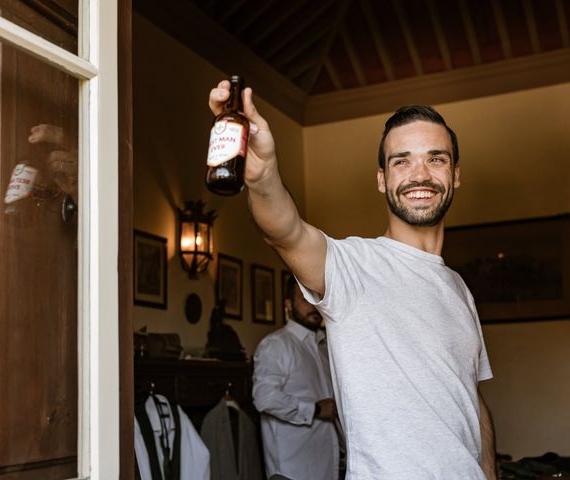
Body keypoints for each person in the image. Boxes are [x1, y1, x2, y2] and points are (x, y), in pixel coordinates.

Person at [208, 80, 497, 480]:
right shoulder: (353, 266)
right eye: (401, 161)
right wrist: (262, 174)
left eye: (436, 159)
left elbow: (472, 401)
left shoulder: (459, 289)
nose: (419, 175)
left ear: (455, 174)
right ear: (382, 179)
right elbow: (284, 230)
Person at [253, 275, 341, 480]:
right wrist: (316, 409)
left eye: (316, 298)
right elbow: (265, 397)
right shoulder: (276, 345)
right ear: (288, 305)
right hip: (292, 470)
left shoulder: (325, 348)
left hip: (329, 466)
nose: (313, 305)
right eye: (304, 298)